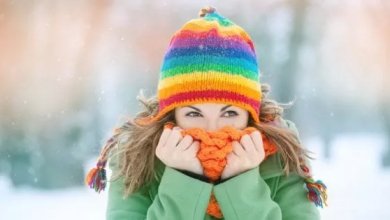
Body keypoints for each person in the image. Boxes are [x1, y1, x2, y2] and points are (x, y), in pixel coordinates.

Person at [85, 6, 327, 220]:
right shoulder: (135, 160)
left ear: (249, 115)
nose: (212, 129)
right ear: (172, 114)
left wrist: (241, 185)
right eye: (193, 114)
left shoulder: (282, 157)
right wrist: (183, 179)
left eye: (230, 113)